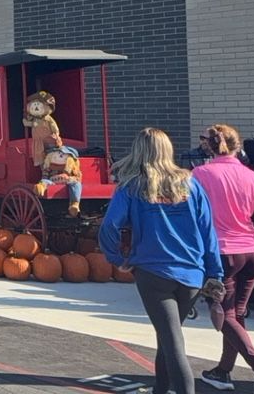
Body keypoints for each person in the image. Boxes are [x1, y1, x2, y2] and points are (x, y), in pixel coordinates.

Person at [100, 128, 224, 394]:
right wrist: (215, 273)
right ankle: (161, 389)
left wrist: (117, 258)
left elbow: (109, 226)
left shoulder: (132, 185)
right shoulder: (190, 183)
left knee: (171, 339)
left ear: (139, 151)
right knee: (167, 336)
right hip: (191, 273)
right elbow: (207, 231)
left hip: (153, 271)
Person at [192, 124, 254, 394]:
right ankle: (223, 371)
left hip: (221, 254)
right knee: (235, 313)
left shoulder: (199, 174)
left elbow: (191, 218)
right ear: (238, 146)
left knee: (224, 315)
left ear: (208, 146)